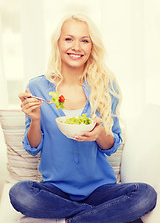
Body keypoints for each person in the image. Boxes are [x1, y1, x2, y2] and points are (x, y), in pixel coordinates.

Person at [9, 14, 157, 223]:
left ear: (91, 46)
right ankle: (99, 215)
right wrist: (34, 119)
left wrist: (99, 134)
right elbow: (33, 147)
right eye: (69, 39)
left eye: (84, 40)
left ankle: (73, 220)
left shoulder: (106, 86)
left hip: (100, 190)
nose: (76, 46)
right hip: (55, 190)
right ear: (58, 43)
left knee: (145, 194)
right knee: (20, 194)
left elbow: (111, 145)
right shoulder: (38, 87)